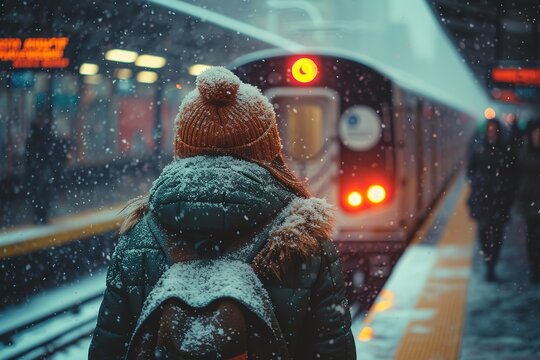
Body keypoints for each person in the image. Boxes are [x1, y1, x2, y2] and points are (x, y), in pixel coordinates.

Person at [89, 67, 355, 359]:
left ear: (182, 147)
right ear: (268, 149)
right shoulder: (306, 244)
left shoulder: (137, 240)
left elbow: (108, 348)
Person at [467, 118, 518, 281]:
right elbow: (470, 170)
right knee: (483, 230)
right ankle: (487, 260)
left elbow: (512, 171)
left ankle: (492, 264)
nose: (491, 132)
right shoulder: (478, 147)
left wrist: (507, 190)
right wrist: (476, 183)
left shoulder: (505, 148)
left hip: (499, 198)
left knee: (497, 233)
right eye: (489, 129)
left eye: (493, 129)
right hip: (483, 197)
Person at [516, 120, 540, 283]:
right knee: (532, 237)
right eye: (536, 132)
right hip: (530, 202)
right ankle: (534, 266)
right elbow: (515, 178)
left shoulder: (523, 152)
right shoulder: (523, 152)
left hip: (532, 200)